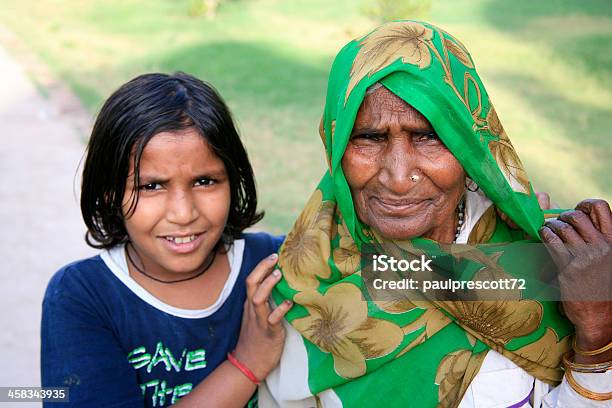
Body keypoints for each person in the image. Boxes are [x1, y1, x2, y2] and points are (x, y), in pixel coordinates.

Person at [261, 21, 611, 407]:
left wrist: (597, 339)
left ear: (469, 145)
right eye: (368, 138)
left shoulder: (551, 263)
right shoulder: (304, 282)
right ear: (336, 144)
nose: (397, 177)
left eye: (428, 136)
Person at [41, 72, 293, 407]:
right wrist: (247, 364)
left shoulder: (275, 266)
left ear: (234, 180)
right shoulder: (81, 297)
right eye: (152, 186)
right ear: (109, 194)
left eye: (205, 181)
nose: (183, 212)